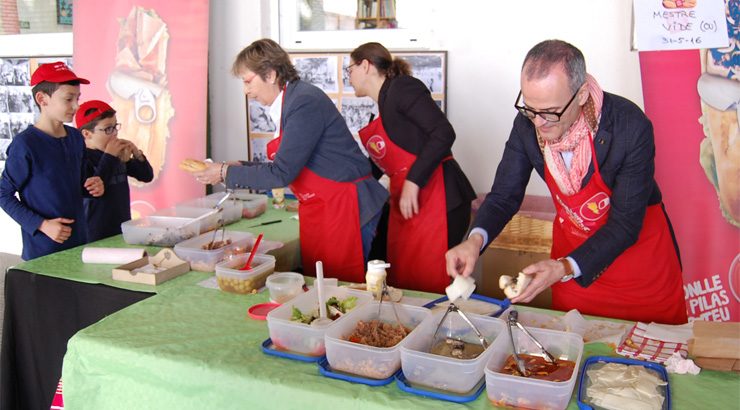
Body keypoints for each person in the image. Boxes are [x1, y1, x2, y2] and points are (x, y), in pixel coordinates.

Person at [445, 40, 688, 324]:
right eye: (530, 108)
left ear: (582, 94)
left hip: (638, 271)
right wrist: (474, 240)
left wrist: (564, 267)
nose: (539, 123)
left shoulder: (629, 126)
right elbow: (503, 196)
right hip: (572, 266)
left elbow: (625, 225)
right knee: (574, 347)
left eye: (551, 112)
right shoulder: (528, 124)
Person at [191, 39, 388, 282]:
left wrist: (224, 173)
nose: (246, 91)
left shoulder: (303, 102)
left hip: (346, 206)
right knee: (323, 287)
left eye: (248, 81)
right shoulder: (291, 101)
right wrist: (239, 167)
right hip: (323, 208)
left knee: (344, 289)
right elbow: (287, 163)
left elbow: (281, 173)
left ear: (271, 74)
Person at [348, 42, 476, 294]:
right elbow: (377, 167)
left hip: (439, 197)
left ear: (366, 65)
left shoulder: (402, 88)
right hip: (410, 202)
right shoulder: (381, 110)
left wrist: (413, 181)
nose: (348, 77)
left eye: (349, 69)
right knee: (406, 278)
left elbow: (443, 133)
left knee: (431, 279)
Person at [0, 62, 104, 260]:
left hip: (79, 243)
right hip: (43, 251)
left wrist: (94, 186)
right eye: (68, 99)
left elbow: (79, 184)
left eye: (77, 98)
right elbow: (3, 195)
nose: (76, 106)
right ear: (42, 99)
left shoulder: (75, 137)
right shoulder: (25, 144)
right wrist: (41, 224)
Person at [76, 100, 154, 241]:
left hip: (122, 227)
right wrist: (109, 156)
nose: (115, 134)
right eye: (108, 129)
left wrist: (136, 154)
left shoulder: (116, 154)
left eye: (115, 127)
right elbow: (94, 189)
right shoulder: (81, 158)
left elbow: (147, 176)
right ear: (87, 134)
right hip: (95, 233)